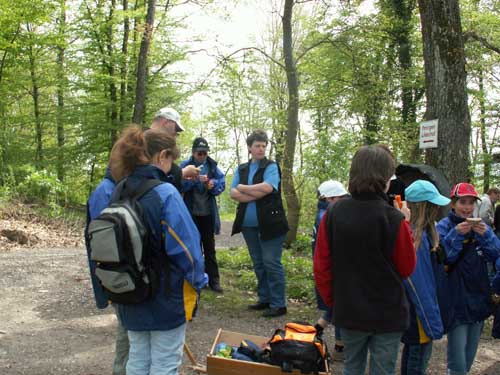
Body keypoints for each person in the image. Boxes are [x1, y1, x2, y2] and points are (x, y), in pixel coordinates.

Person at [85, 106, 198, 374]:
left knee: (137, 359)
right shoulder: (166, 193)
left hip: (129, 294)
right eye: (171, 160)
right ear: (162, 156)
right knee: (165, 363)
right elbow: (188, 252)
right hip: (164, 296)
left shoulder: (116, 191)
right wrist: (198, 283)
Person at [313, 144, 416, 375]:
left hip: (349, 309)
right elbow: (407, 266)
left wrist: (334, 301)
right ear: (385, 178)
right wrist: (405, 223)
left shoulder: (334, 213)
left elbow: (321, 266)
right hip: (387, 313)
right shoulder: (393, 218)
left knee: (352, 367)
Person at [436, 182, 500, 375]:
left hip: (478, 299)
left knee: (469, 357)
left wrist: (486, 235)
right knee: (457, 363)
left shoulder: (480, 227)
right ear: (453, 203)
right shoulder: (444, 227)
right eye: (462, 202)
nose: (467, 207)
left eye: (471, 203)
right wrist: (455, 235)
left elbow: (496, 255)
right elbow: (443, 258)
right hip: (455, 301)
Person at [230, 129, 289, 318]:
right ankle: (264, 299)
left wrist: (244, 189)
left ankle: (279, 304)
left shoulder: (271, 167)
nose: (261, 149)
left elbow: (268, 188)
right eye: (257, 145)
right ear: (249, 148)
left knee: (271, 262)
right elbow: (232, 193)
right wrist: (254, 193)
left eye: (264, 146)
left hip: (271, 224)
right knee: (258, 263)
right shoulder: (242, 169)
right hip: (248, 226)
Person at [400, 180, 450, 375]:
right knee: (417, 361)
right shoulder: (417, 240)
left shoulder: (424, 235)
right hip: (419, 314)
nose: (438, 209)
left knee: (412, 354)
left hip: (416, 312)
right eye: (434, 205)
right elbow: (419, 286)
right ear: (425, 208)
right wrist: (431, 321)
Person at [180, 137, 226, 293]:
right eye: (199, 153)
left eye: (204, 153)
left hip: (207, 214)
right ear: (193, 153)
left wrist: (211, 184)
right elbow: (177, 184)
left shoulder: (212, 167)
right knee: (193, 249)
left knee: (210, 248)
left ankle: (214, 281)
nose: (202, 156)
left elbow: (221, 184)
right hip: (190, 215)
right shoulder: (185, 166)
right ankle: (197, 280)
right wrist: (193, 180)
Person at [311, 180, 348, 361]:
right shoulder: (327, 215)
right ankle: (340, 347)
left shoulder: (324, 212)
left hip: (330, 266)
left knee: (337, 304)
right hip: (334, 267)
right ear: (331, 198)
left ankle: (317, 328)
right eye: (340, 198)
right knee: (341, 305)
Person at [151, 107, 201, 189]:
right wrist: (183, 172)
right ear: (166, 122)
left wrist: (181, 174)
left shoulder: (157, 143)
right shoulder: (143, 141)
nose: (175, 134)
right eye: (176, 129)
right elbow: (151, 176)